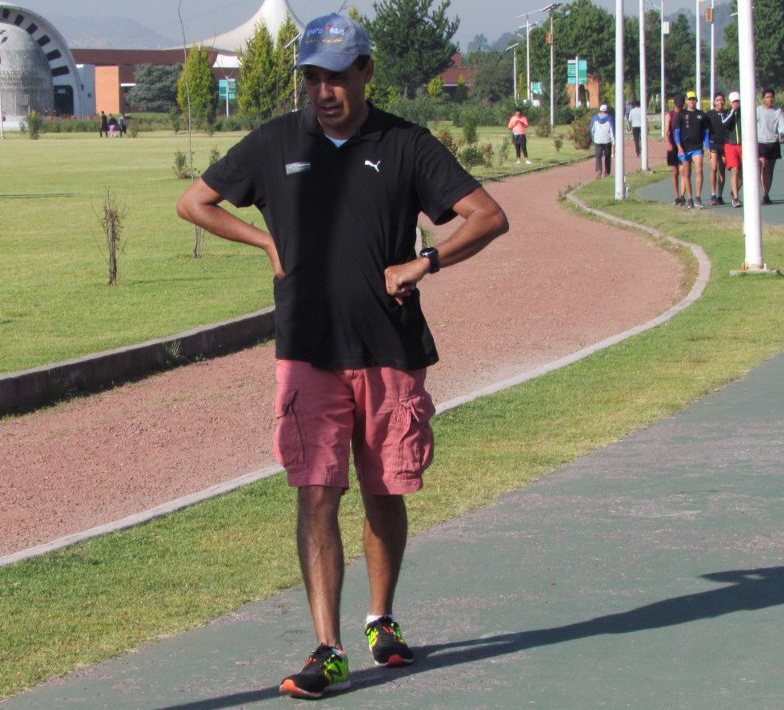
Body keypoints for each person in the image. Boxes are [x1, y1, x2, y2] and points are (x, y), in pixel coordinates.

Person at [176, 13, 509, 700]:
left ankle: (380, 621)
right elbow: (196, 201)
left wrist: (425, 261)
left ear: (366, 72)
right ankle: (327, 647)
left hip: (389, 348)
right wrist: (264, 244)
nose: (324, 89)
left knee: (386, 490)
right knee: (316, 492)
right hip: (306, 349)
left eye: (337, 75)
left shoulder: (406, 143)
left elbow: (488, 215)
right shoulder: (274, 143)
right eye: (313, 77)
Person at [674, 91, 710, 209]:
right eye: (690, 99)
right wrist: (679, 146)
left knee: (699, 170)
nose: (692, 101)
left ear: (696, 100)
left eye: (694, 99)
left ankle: (698, 197)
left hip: (697, 147)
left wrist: (708, 147)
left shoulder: (701, 115)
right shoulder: (681, 115)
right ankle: (689, 198)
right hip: (685, 148)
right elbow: (677, 132)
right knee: (686, 173)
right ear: (686, 101)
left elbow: (705, 133)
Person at [754, 88, 784, 205]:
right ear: (763, 98)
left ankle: (766, 194)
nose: (769, 99)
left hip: (773, 143)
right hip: (760, 142)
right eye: (767, 97)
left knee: (770, 170)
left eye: (771, 97)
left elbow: (782, 124)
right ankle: (759, 192)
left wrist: (782, 134)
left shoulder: (777, 110)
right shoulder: (758, 111)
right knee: (763, 165)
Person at [719, 91, 744, 208]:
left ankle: (734, 191)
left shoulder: (744, 112)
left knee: (744, 175)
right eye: (734, 102)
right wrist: (733, 111)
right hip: (730, 145)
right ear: (730, 102)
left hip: (743, 146)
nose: (736, 104)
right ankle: (736, 197)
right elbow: (724, 123)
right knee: (735, 170)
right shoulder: (727, 113)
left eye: (738, 101)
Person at [706, 93, 728, 205]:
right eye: (718, 100)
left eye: (722, 100)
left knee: (722, 171)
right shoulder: (709, 114)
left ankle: (720, 195)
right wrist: (707, 147)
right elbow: (706, 132)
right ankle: (713, 194)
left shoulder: (727, 113)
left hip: (724, 145)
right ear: (714, 102)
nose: (720, 102)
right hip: (713, 144)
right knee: (713, 169)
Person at [666, 96, 683, 206]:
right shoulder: (670, 115)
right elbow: (667, 131)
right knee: (675, 172)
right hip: (673, 146)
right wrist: (668, 143)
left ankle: (682, 195)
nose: (679, 105)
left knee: (684, 172)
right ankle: (677, 196)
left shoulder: (685, 114)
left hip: (684, 146)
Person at [590, 104, 614, 178]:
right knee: (607, 156)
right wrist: (614, 142)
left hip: (598, 140)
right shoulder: (610, 118)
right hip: (607, 140)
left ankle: (598, 170)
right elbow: (612, 131)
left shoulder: (595, 118)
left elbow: (592, 129)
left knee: (598, 156)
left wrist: (593, 138)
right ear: (606, 111)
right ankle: (607, 171)